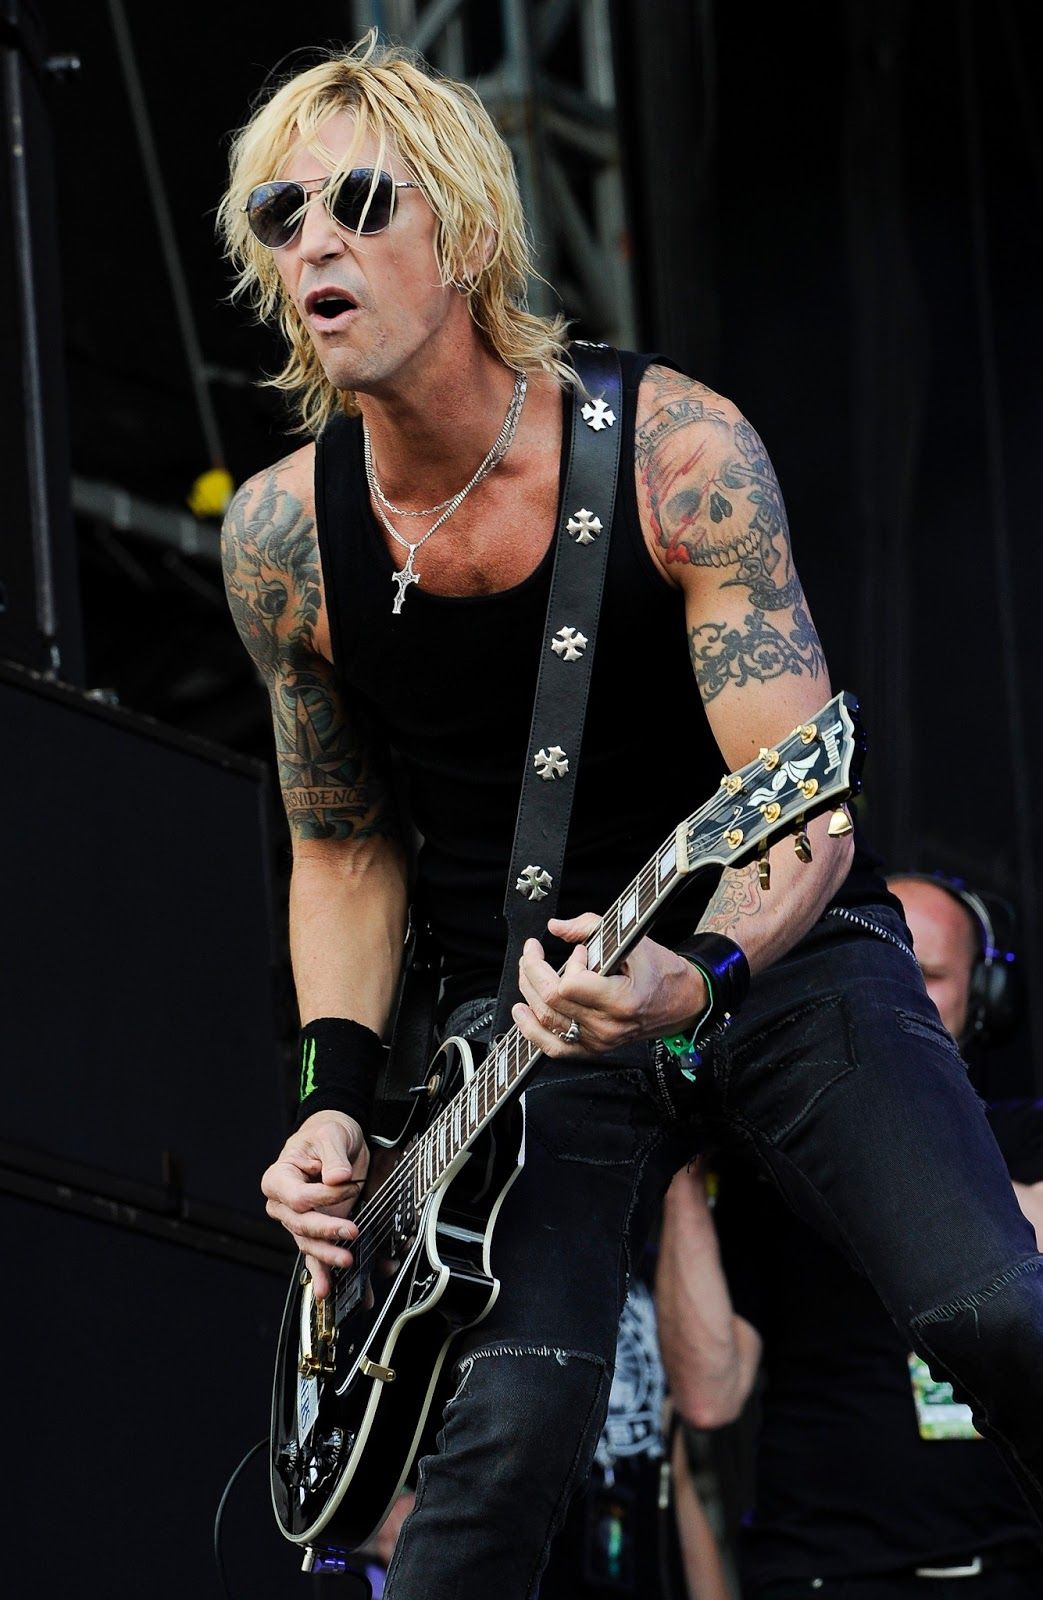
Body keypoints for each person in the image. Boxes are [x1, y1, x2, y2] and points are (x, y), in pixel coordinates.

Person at [215, 32, 1043, 1599]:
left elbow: (802, 810)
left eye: (360, 200)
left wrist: (697, 974)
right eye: (280, 213)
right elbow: (339, 847)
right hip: (528, 1022)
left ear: (462, 233)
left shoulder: (676, 453)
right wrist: (331, 1097)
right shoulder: (279, 541)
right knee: (495, 1457)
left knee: (992, 1310)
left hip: (767, 954)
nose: (313, 239)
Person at [658, 872, 1043, 1598]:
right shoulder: (765, 1174)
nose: (896, 992)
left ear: (986, 998)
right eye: (879, 966)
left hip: (1010, 1571)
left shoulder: (1027, 1139)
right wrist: (682, 1160)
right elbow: (709, 1397)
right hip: (821, 1574)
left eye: (928, 975)